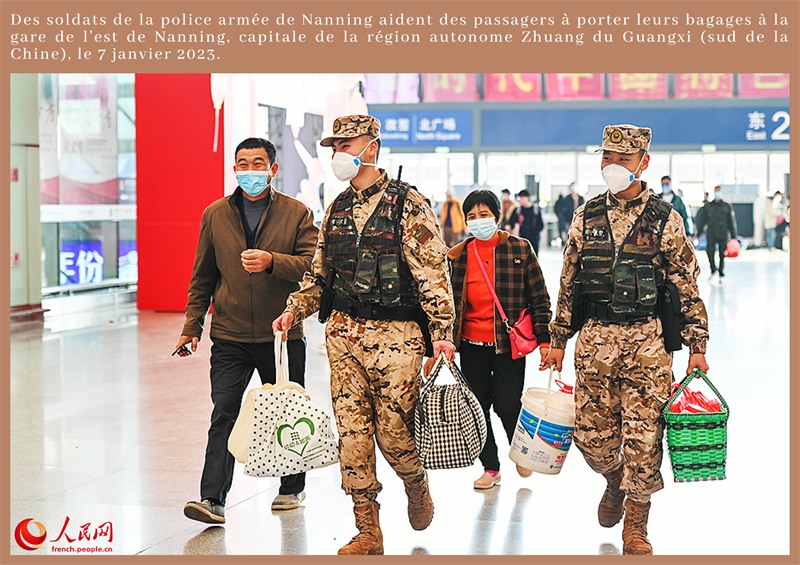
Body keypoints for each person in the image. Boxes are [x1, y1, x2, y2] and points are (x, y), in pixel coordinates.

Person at [272, 115, 456, 556]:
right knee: (351, 435)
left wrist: (442, 334)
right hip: (343, 337)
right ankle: (367, 530)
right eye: (334, 146)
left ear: (371, 148)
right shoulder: (335, 208)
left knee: (394, 433)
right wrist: (293, 309)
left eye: (346, 144)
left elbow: (433, 273)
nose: (338, 153)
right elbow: (319, 276)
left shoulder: (408, 204)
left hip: (398, 340)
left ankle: (414, 481)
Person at [544, 124, 710, 555]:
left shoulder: (665, 220)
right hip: (595, 339)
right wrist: (557, 338)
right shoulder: (586, 215)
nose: (612, 165)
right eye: (607, 157)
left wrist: (698, 347)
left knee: (644, 437)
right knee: (591, 437)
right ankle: (614, 480)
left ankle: (636, 525)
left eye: (622, 158)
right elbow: (568, 281)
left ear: (643, 163)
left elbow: (686, 285)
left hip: (648, 342)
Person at [176, 138, 319, 524]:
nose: (250, 170)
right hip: (230, 334)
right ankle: (212, 499)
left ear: (273, 170)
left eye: (258, 163)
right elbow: (202, 275)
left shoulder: (297, 213)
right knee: (224, 412)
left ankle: (291, 487)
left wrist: (273, 261)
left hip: (282, 335)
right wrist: (193, 327)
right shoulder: (215, 214)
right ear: (234, 168)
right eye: (243, 163)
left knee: (288, 414)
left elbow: (312, 265)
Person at [445, 189, 552, 489]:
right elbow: (447, 303)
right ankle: (490, 467)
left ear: (497, 215)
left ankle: (520, 451)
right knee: (477, 407)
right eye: (472, 217)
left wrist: (546, 342)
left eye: (483, 215)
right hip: (470, 346)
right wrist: (444, 342)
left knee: (507, 404)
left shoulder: (519, 249)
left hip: (508, 345)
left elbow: (540, 299)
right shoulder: (458, 255)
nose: (478, 221)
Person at [695, 185, 738, 284]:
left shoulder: (727, 206)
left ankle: (721, 272)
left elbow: (732, 222)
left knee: (722, 254)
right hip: (711, 233)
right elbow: (702, 220)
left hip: (723, 234)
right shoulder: (708, 206)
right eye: (716, 191)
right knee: (710, 252)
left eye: (719, 191)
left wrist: (734, 236)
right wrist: (698, 233)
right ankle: (713, 269)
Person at [510, 189, 545, 255]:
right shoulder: (518, 210)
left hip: (534, 238)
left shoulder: (535, 210)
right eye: (520, 198)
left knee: (534, 256)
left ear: (528, 198)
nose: (521, 200)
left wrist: (535, 232)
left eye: (523, 198)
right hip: (521, 237)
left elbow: (541, 225)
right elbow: (511, 223)